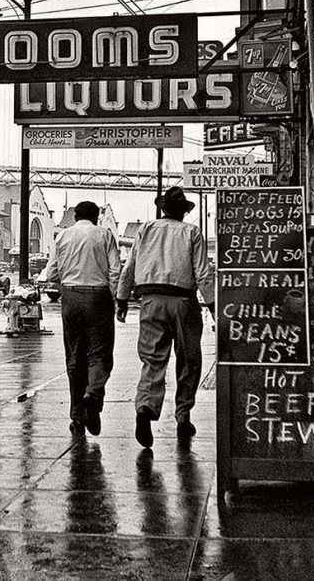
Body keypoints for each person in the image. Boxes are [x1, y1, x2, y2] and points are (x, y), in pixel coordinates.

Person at [116, 186, 214, 449]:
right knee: (189, 358)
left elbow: (130, 266)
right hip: (183, 301)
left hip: (150, 300)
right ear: (183, 212)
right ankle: (183, 416)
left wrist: (122, 298)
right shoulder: (191, 232)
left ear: (163, 209)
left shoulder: (145, 229)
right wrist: (214, 304)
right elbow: (203, 272)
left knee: (153, 358)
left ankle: (145, 408)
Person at [45, 200, 121, 437]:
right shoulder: (105, 235)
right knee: (100, 353)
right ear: (97, 217)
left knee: (74, 357)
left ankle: (77, 417)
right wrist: (115, 299)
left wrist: (68, 285)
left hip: (70, 297)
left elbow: (51, 273)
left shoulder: (62, 236)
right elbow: (115, 271)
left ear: (75, 216)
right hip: (98, 296)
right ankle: (94, 393)